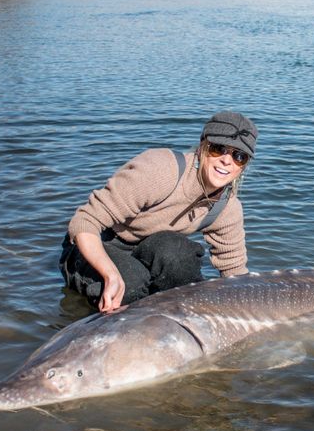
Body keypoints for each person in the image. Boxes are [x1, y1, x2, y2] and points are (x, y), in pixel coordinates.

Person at [59, 111, 257, 312]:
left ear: (244, 165)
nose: (227, 161)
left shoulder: (228, 209)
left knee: (180, 258)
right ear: (202, 146)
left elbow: (236, 276)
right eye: (218, 149)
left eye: (239, 156)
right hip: (98, 243)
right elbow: (84, 222)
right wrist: (110, 274)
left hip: (148, 250)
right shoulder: (161, 170)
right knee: (131, 284)